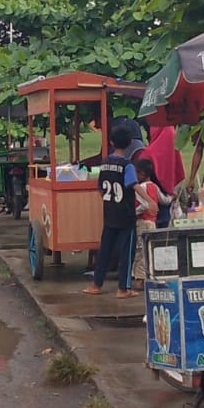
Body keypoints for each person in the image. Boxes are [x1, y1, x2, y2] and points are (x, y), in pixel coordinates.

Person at [83, 126, 138, 299]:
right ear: (129, 144)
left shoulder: (105, 163)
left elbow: (100, 188)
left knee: (105, 250)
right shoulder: (127, 165)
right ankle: (124, 288)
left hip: (109, 214)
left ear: (112, 142)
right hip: (126, 215)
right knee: (127, 252)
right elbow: (133, 185)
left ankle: (96, 284)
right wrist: (150, 201)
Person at [139, 124, 186, 227]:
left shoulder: (147, 154)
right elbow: (180, 174)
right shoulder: (175, 151)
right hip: (169, 198)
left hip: (150, 209)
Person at [132, 156, 170, 275]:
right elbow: (165, 200)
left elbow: (143, 205)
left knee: (140, 251)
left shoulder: (140, 188)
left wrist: (133, 212)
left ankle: (139, 276)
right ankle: (150, 273)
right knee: (150, 249)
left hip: (142, 222)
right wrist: (172, 196)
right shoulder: (154, 186)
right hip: (152, 223)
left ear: (141, 174)